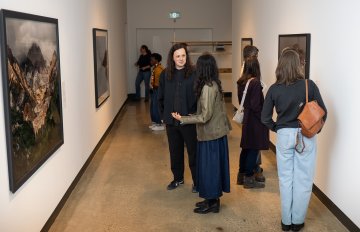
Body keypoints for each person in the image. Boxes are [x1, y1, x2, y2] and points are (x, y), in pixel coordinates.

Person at [261, 49, 327, 231]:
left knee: (285, 179)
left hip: (284, 136)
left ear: (280, 66)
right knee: (303, 179)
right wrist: (313, 131)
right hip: (305, 136)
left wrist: (278, 129)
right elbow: (323, 113)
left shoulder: (274, 89)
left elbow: (265, 118)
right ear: (298, 65)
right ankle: (297, 222)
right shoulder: (309, 85)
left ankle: (285, 222)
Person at [172, 53, 231, 214]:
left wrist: (183, 119)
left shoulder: (207, 88)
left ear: (202, 68)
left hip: (210, 136)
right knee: (212, 169)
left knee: (209, 170)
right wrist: (193, 115)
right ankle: (211, 201)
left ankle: (212, 202)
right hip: (216, 135)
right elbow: (208, 111)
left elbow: (205, 117)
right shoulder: (213, 83)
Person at [158, 43, 197, 192]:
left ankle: (196, 181)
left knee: (193, 153)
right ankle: (178, 178)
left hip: (189, 121)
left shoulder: (194, 73)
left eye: (183, 56)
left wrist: (194, 115)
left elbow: (200, 97)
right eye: (178, 56)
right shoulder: (165, 74)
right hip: (172, 122)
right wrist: (163, 116)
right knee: (175, 152)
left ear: (186, 57)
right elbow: (159, 97)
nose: (181, 59)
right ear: (172, 58)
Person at [237, 46, 269, 189]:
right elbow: (256, 106)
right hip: (255, 121)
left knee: (246, 148)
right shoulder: (255, 82)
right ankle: (249, 178)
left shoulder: (241, 81)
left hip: (247, 120)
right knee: (254, 149)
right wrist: (265, 117)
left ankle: (241, 175)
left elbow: (244, 102)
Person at [149, 53, 165, 131]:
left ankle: (160, 123)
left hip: (157, 90)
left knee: (156, 106)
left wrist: (155, 88)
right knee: (153, 106)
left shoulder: (159, 69)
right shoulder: (155, 68)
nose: (151, 61)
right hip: (154, 89)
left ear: (156, 60)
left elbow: (160, 82)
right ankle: (155, 121)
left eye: (152, 60)